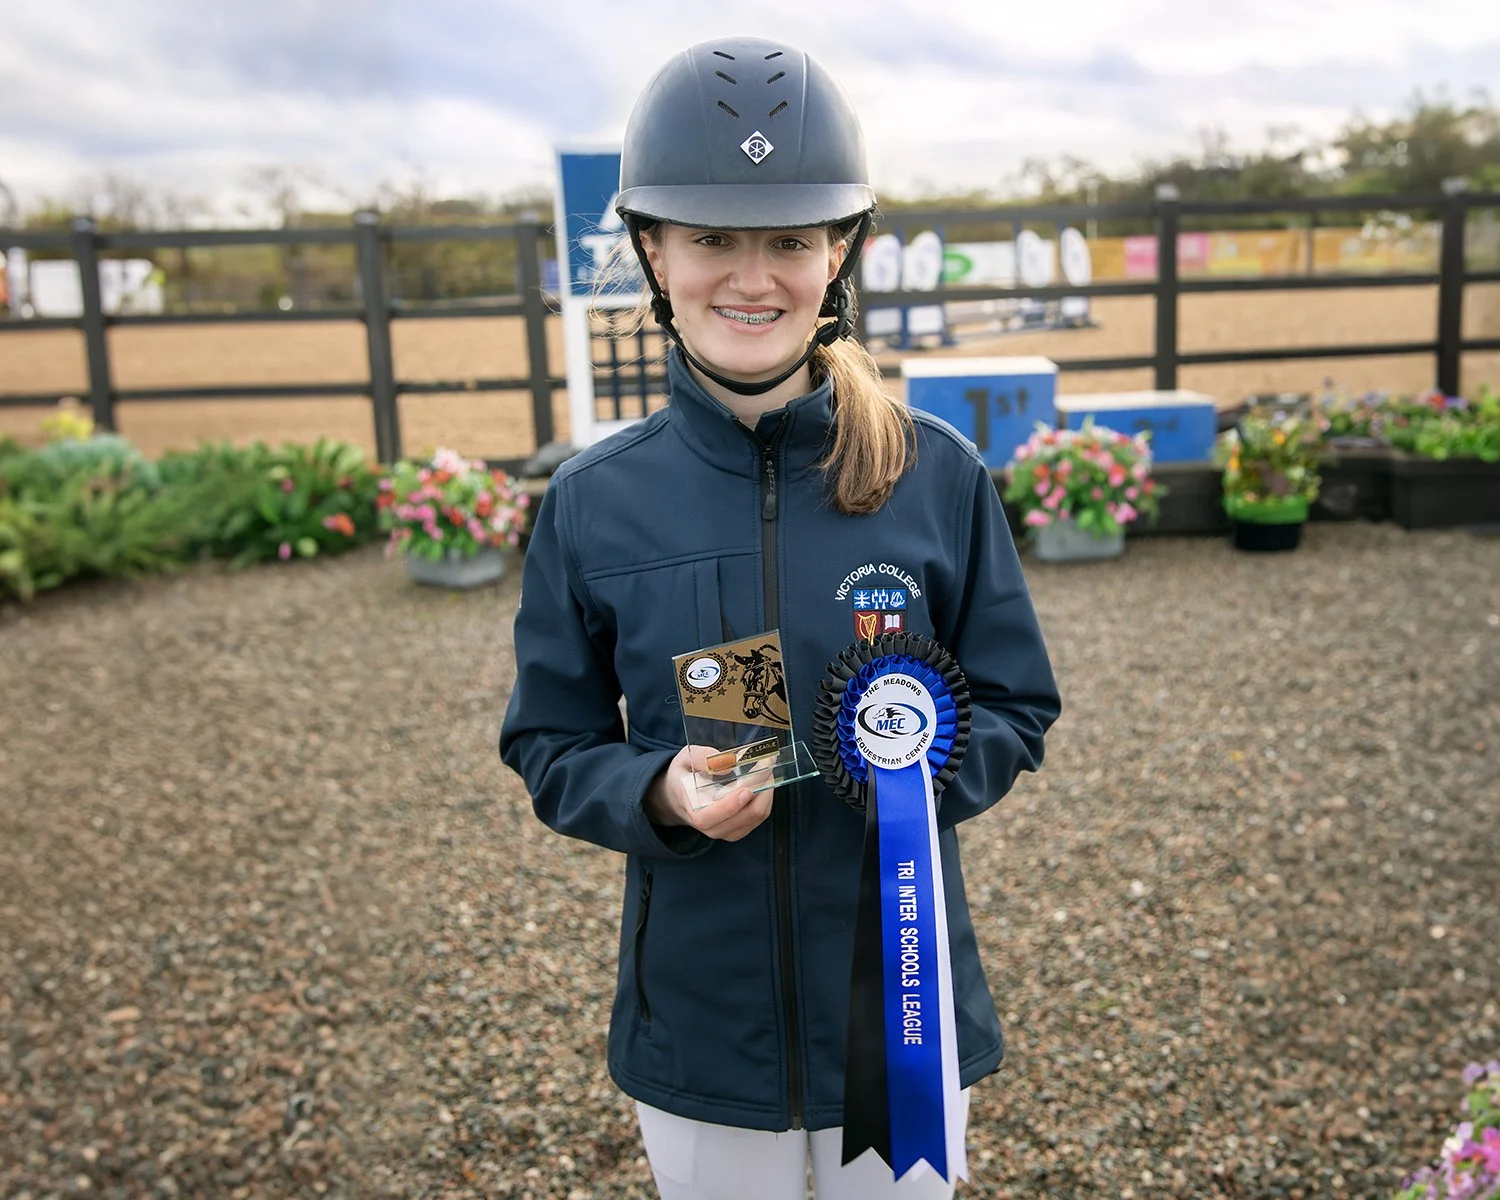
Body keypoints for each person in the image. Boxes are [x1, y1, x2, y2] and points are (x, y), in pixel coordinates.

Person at [500, 36, 1061, 1200]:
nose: (750, 278)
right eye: (710, 238)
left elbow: (1015, 702)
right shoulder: (593, 504)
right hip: (705, 1037)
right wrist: (659, 795)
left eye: (789, 241)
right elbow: (550, 745)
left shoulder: (933, 474)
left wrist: (906, 776)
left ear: (839, 251)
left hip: (898, 1017)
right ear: (652, 248)